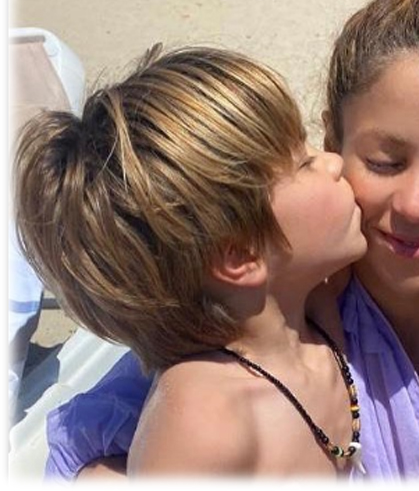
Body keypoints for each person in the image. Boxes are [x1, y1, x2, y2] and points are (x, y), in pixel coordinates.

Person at [41, 0, 419, 480]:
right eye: (384, 162)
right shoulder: (291, 303)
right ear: (333, 140)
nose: (415, 206)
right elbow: (80, 443)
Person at [15, 45, 368, 475]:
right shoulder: (203, 425)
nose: (334, 163)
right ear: (239, 255)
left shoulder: (318, 306)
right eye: (305, 163)